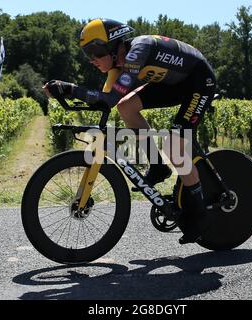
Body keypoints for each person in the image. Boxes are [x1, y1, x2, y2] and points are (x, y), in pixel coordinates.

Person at [43, 18, 217, 244]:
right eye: (88, 54)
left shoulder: (138, 51)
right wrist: (64, 92)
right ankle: (157, 166)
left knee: (174, 145)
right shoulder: (117, 67)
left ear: (115, 47)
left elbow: (106, 99)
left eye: (96, 51)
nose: (92, 60)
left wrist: (71, 89)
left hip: (199, 82)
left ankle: (199, 213)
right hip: (174, 83)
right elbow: (106, 102)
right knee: (127, 106)